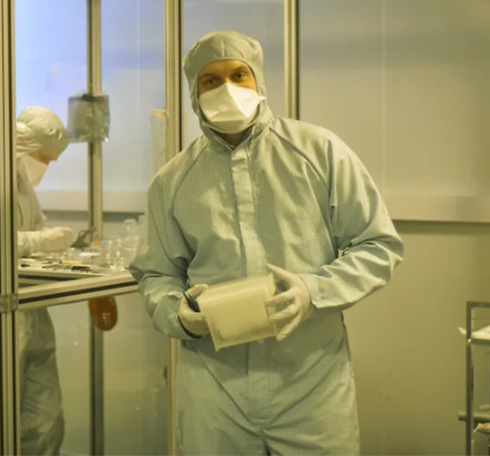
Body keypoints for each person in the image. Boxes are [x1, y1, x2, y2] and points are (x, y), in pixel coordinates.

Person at [129, 31, 404, 455]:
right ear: (194, 94)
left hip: (310, 384)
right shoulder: (173, 180)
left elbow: (378, 244)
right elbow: (156, 272)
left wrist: (313, 290)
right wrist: (178, 313)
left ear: (258, 81)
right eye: (211, 80)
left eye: (239, 75)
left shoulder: (319, 152)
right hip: (215, 388)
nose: (227, 89)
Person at [0, 106, 73, 455]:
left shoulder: (22, 184)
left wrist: (58, 250)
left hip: (30, 312)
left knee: (46, 423)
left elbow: (35, 229)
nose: (45, 166)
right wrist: (37, 242)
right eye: (43, 157)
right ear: (21, 144)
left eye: (51, 160)